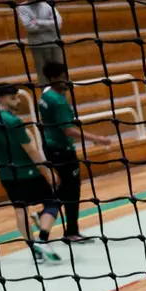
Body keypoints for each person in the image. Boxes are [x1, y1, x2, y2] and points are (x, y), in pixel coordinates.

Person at [0, 83, 62, 264]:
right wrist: (47, 172)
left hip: (6, 173)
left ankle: (34, 248)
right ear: (2, 98)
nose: (18, 101)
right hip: (27, 172)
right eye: (14, 98)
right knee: (53, 203)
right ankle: (42, 239)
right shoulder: (14, 122)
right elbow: (31, 150)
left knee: (20, 209)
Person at [36, 62, 110, 245]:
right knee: (72, 191)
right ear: (53, 78)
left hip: (50, 147)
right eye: (62, 76)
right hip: (63, 150)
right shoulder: (59, 101)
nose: (66, 79)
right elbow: (68, 130)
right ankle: (71, 231)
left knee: (64, 187)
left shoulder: (45, 94)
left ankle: (44, 215)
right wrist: (98, 138)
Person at [15, 0, 64, 83]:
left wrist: (38, 22)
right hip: (38, 45)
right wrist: (49, 25)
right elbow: (29, 27)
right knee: (43, 75)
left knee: (60, 73)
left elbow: (58, 24)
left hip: (54, 43)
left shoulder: (48, 5)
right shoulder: (22, 8)